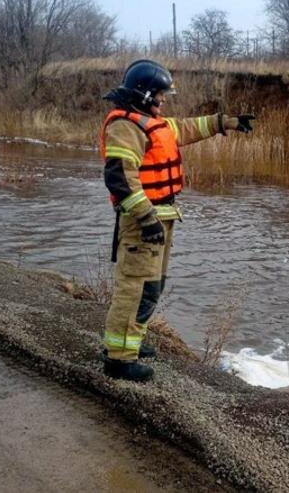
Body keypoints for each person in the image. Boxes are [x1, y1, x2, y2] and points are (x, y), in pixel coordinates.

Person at [100, 59, 254, 382]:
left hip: (161, 217)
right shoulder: (125, 127)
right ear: (144, 94)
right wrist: (146, 218)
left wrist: (225, 122)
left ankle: (132, 343)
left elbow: (187, 128)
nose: (164, 100)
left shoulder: (152, 122)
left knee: (152, 287)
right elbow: (120, 180)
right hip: (143, 221)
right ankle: (118, 359)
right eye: (160, 94)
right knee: (135, 287)